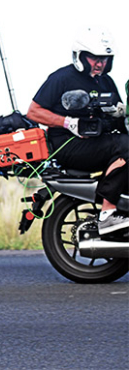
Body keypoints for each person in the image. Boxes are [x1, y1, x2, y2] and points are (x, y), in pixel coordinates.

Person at [26, 26, 128, 235]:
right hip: (68, 146)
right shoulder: (62, 78)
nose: (100, 63)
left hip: (97, 143)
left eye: (105, 59)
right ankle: (108, 214)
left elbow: (117, 120)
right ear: (81, 56)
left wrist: (119, 113)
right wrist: (68, 122)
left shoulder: (106, 81)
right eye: (95, 58)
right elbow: (34, 112)